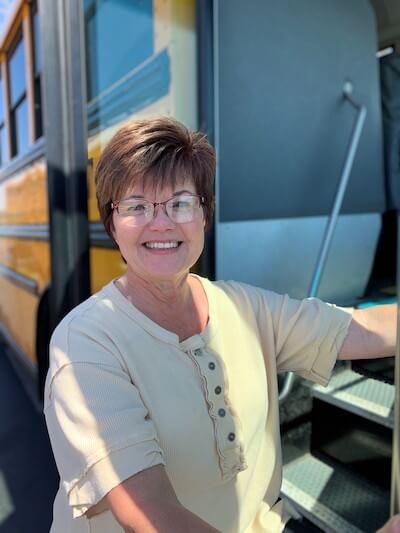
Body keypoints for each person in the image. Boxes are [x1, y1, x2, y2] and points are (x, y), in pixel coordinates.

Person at [44, 117, 399, 533]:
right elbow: (150, 515)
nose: (161, 223)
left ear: (205, 214)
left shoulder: (244, 306)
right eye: (136, 206)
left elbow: (356, 328)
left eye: (180, 202)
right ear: (112, 224)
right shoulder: (84, 343)